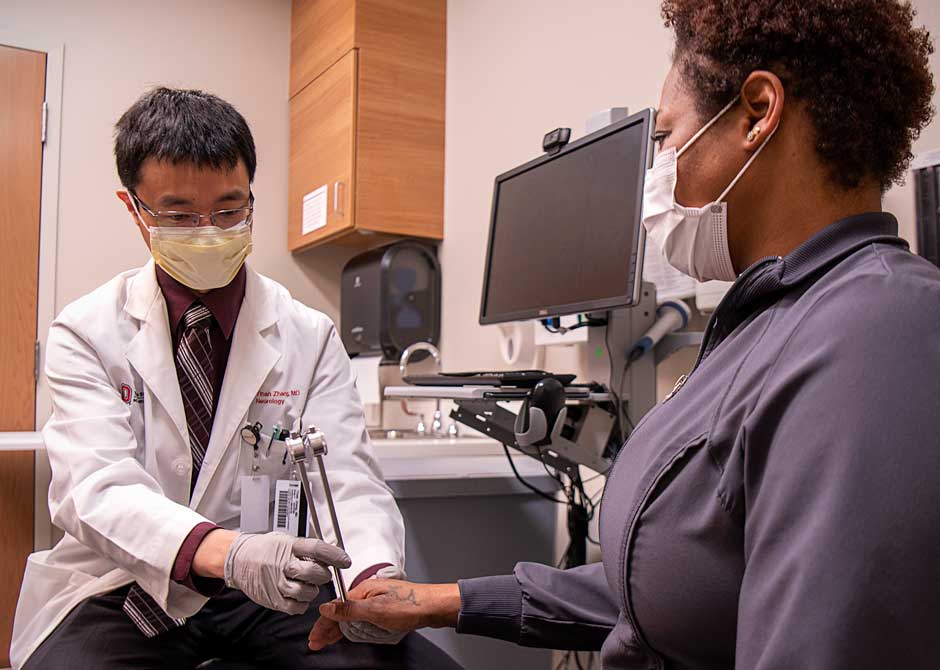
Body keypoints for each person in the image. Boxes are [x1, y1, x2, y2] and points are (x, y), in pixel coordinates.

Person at [308, 0, 940, 668]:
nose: (657, 172)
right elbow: (665, 588)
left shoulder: (875, 335)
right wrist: (441, 601)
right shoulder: (769, 318)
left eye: (665, 139)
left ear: (757, 112)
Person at [10, 88, 460, 670]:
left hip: (268, 591)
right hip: (126, 581)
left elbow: (345, 477)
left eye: (229, 210)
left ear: (251, 198)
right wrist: (226, 552)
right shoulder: (87, 331)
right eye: (178, 215)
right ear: (135, 209)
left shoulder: (308, 334)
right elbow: (96, 489)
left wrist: (373, 577)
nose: (208, 231)